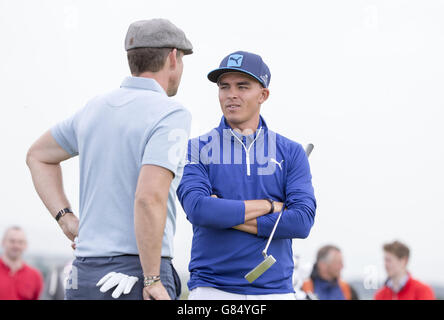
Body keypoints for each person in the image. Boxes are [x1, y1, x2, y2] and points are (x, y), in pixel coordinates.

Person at [26, 18, 193, 300]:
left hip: (85, 273)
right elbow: (149, 197)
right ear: (173, 58)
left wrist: (64, 217)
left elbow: (38, 156)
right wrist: (152, 278)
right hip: (137, 272)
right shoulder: (170, 113)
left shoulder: (94, 108)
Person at [176, 51, 317, 299]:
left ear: (263, 94)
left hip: (275, 290)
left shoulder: (291, 152)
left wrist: (223, 214)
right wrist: (269, 206)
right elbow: (199, 210)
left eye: (243, 86)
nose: (232, 94)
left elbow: (301, 221)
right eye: (225, 87)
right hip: (212, 288)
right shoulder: (196, 148)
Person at [0, 226, 44, 300]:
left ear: (25, 245)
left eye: (20, 242)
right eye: (12, 241)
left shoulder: (35, 276)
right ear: (3, 242)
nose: (16, 245)